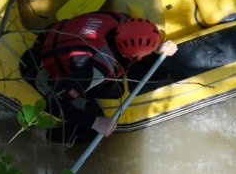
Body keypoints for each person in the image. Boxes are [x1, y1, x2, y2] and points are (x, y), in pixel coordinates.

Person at [21, 12, 178, 144]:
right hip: (41, 68)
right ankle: (42, 135)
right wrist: (95, 122)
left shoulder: (120, 19)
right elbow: (55, 101)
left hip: (54, 34)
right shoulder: (99, 69)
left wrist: (158, 46)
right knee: (92, 130)